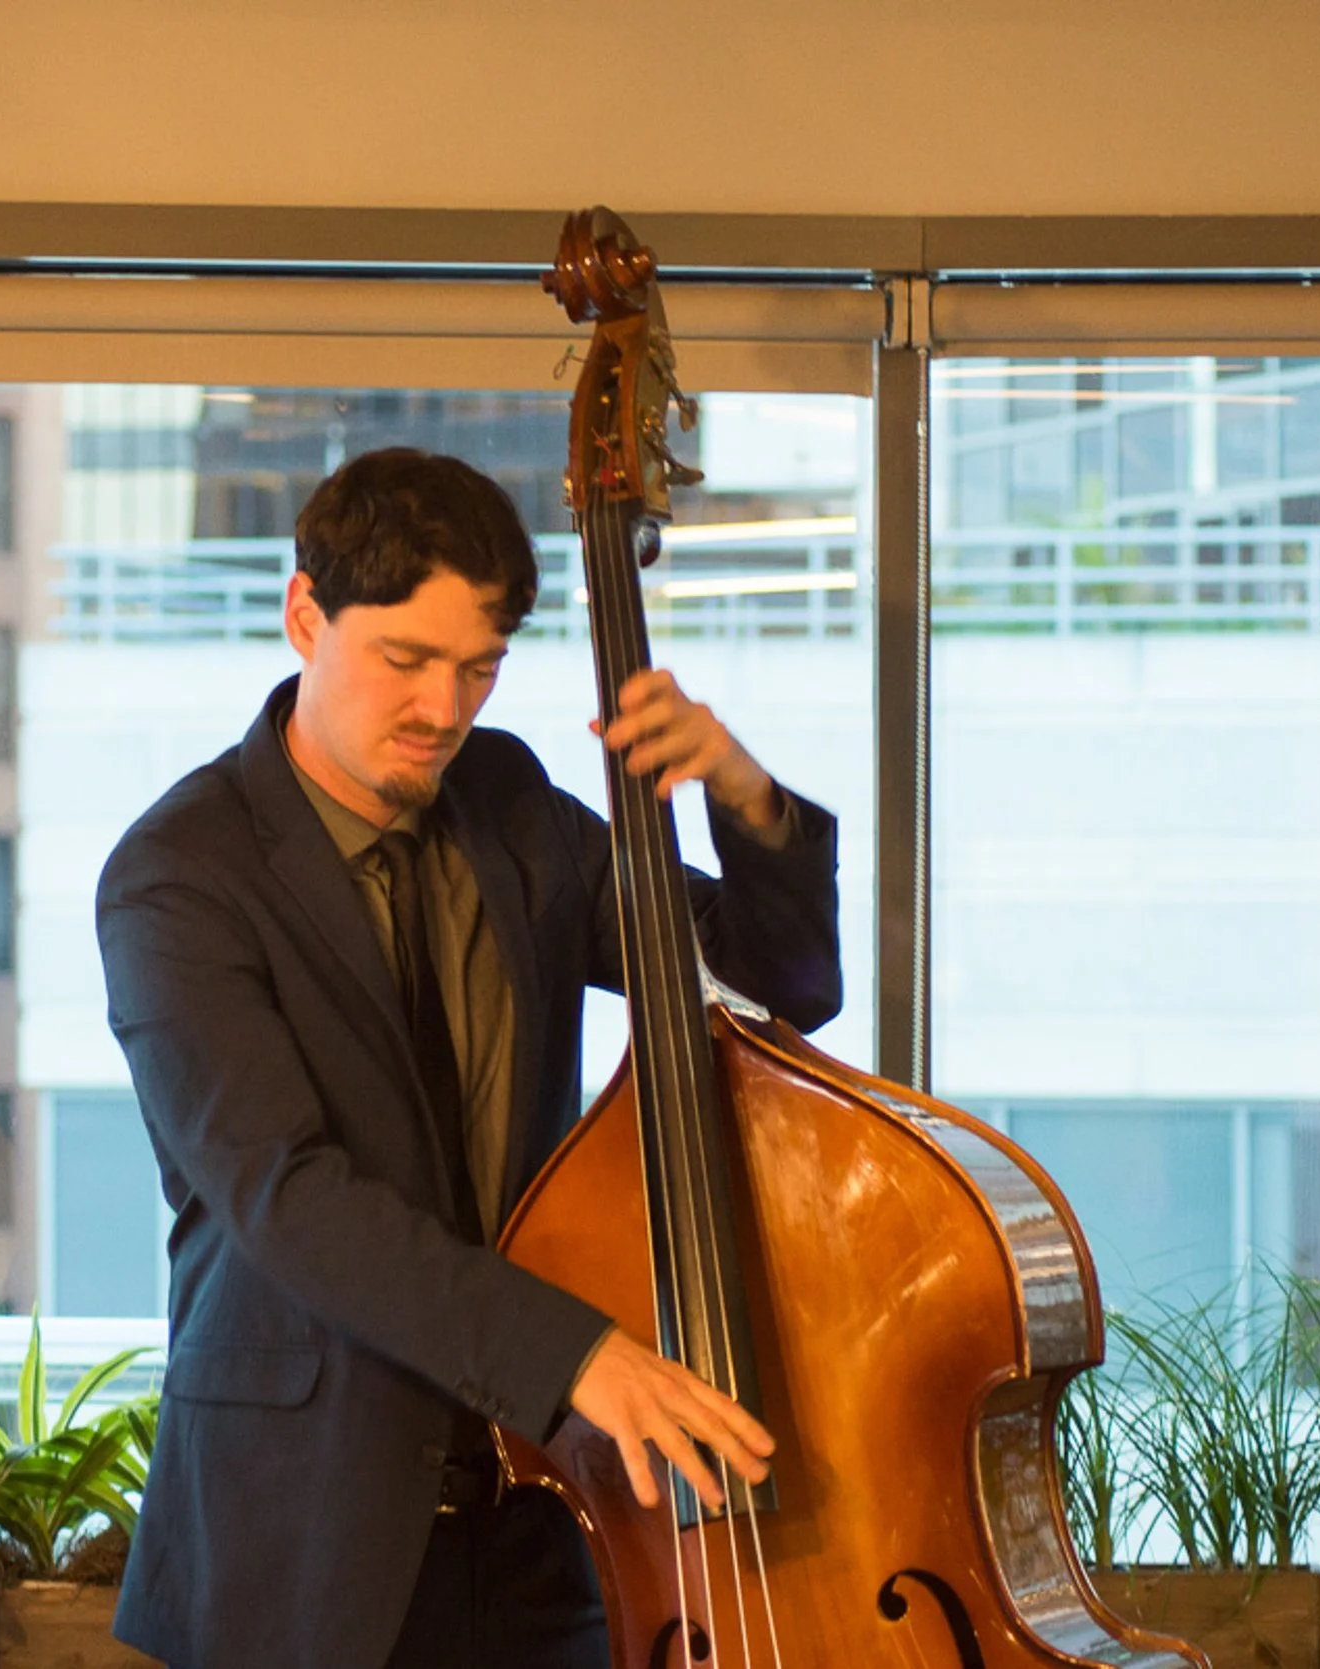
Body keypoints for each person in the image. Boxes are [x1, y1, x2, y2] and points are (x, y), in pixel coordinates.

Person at [96, 449, 844, 1669]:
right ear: (303, 616)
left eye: (479, 668)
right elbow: (289, 1197)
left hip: (549, 1518)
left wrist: (741, 793)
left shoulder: (504, 801)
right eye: (406, 659)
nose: (446, 710)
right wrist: (579, 1353)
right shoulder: (177, 875)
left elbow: (779, 987)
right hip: (302, 1541)